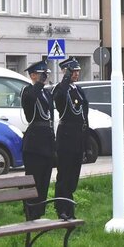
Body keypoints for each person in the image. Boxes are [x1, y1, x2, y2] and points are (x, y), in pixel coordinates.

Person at [52, 57, 88, 220]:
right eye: (73, 71)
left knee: (73, 176)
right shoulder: (61, 89)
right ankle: (62, 208)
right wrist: (65, 79)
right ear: (65, 72)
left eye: (77, 71)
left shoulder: (78, 90)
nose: (76, 74)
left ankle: (69, 207)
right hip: (66, 138)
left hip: (78, 138)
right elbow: (59, 100)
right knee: (64, 176)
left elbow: (84, 115)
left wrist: (86, 144)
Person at [20, 60, 55, 220]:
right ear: (33, 75)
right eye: (41, 74)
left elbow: (50, 115)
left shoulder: (46, 93)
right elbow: (30, 101)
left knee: (44, 180)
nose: (44, 77)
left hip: (47, 140)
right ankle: (30, 212)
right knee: (34, 179)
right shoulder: (27, 91)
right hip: (34, 143)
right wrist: (39, 84)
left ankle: (40, 212)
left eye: (45, 74)